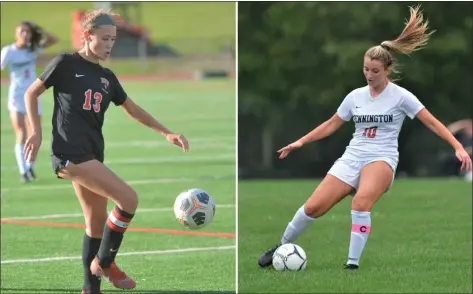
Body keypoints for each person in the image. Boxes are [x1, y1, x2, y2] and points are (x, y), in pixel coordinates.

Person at [257, 5, 472, 270]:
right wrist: (301, 141)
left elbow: (433, 122)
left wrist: (458, 147)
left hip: (381, 158)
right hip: (353, 156)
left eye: (375, 71)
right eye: (366, 69)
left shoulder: (401, 96)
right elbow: (332, 124)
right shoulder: (355, 96)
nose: (369, 75)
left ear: (387, 70)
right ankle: (280, 246)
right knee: (313, 208)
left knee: (361, 202)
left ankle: (352, 264)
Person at [23, 9, 189, 294]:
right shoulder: (65, 62)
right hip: (70, 155)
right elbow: (31, 92)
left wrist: (166, 132)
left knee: (96, 226)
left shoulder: (107, 77)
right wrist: (35, 132)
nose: (111, 44)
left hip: (91, 155)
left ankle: (91, 289)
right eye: (105, 38)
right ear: (87, 36)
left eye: (113, 38)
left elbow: (133, 109)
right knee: (129, 199)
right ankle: (105, 263)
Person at [1, 21, 58, 183]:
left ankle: (29, 165)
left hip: (32, 95)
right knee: (20, 132)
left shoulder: (32, 49)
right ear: (16, 34)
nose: (25, 35)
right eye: (22, 32)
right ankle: (23, 171)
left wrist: (40, 29)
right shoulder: (9, 51)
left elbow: (54, 40)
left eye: (28, 32)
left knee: (34, 132)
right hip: (16, 96)